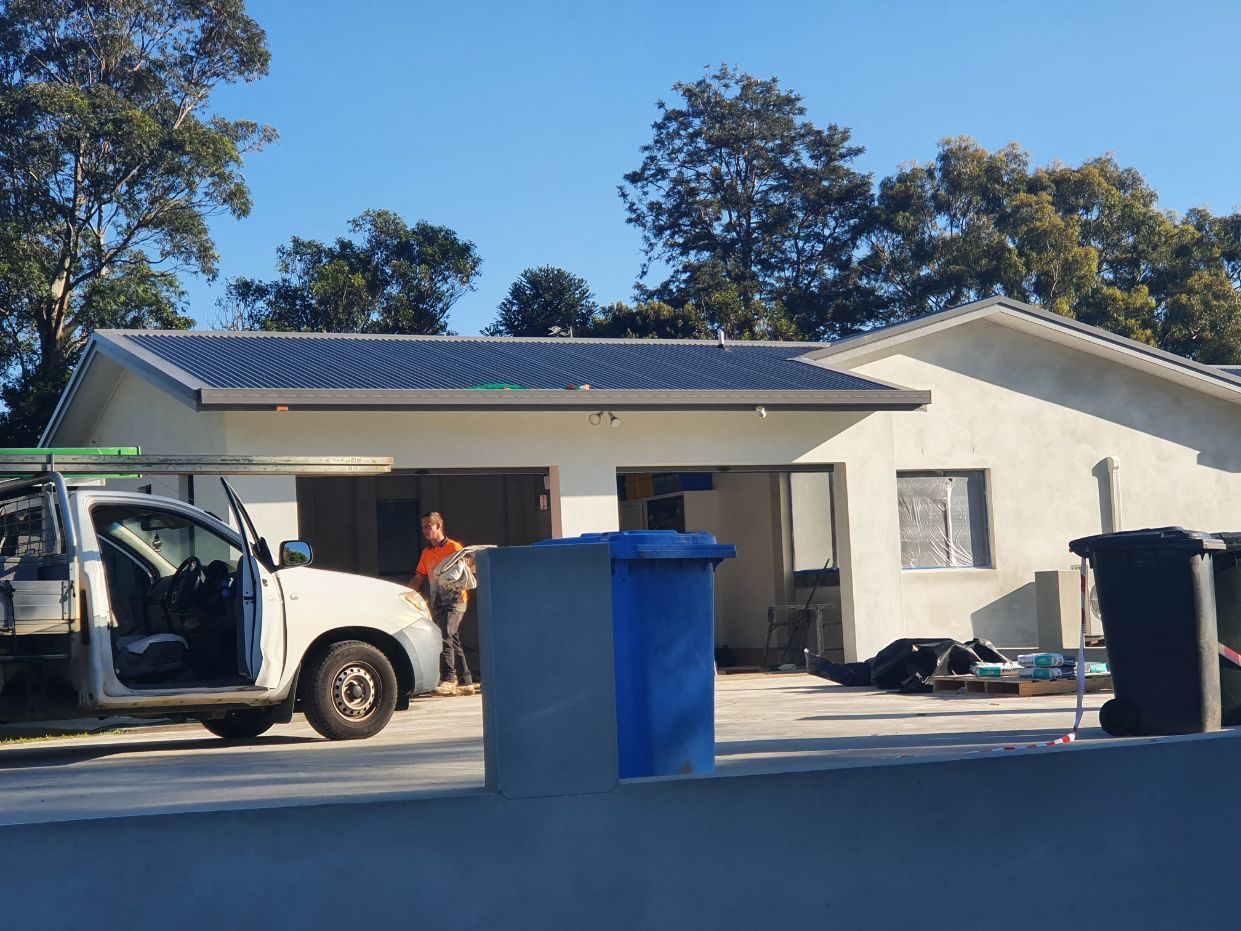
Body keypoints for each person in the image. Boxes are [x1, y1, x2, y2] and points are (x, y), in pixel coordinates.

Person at [408, 511, 476, 696]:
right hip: (438, 602)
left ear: (439, 526)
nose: (425, 530)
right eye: (423, 527)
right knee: (452, 638)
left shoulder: (454, 547)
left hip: (455, 601)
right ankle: (466, 680)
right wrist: (408, 593)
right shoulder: (427, 553)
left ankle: (449, 678)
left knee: (444, 634)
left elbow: (467, 569)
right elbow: (418, 576)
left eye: (428, 526)